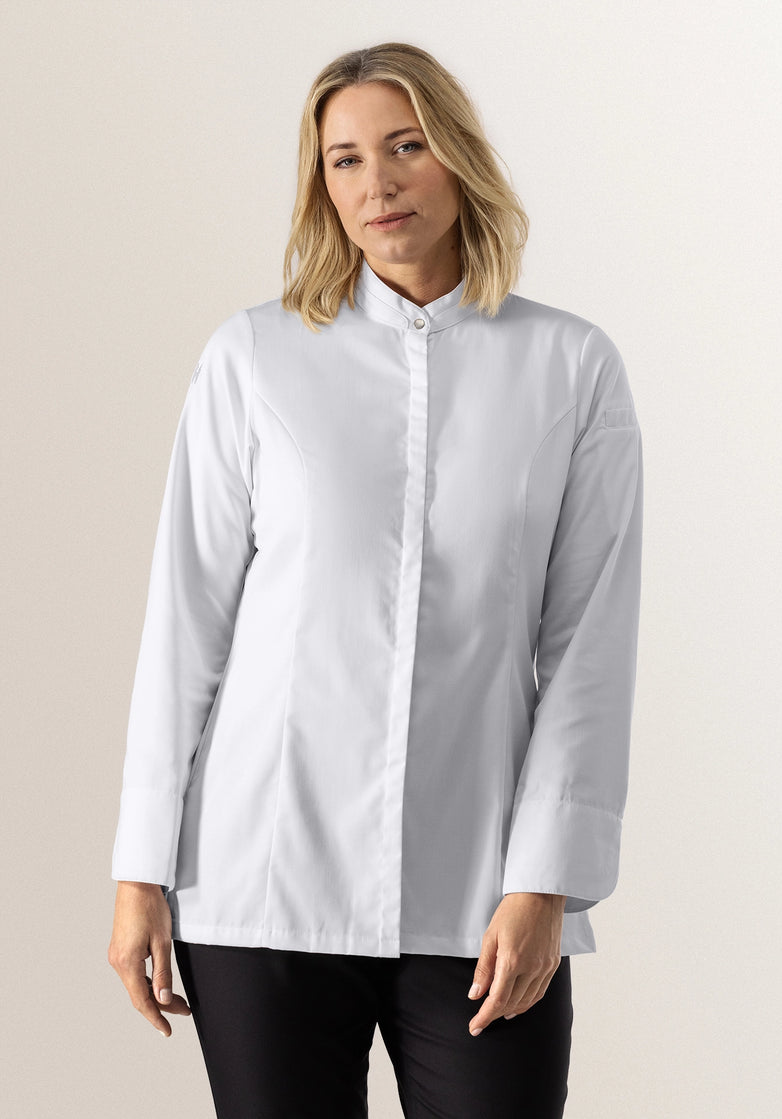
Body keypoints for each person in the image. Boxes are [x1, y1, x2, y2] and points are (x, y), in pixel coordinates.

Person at [108, 41, 643, 1119]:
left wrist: (544, 882)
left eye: (406, 147)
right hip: (261, 885)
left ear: (459, 157)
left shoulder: (571, 370)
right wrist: (138, 872)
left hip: (478, 894)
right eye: (345, 160)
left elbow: (590, 649)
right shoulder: (253, 359)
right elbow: (185, 626)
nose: (378, 183)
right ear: (323, 185)